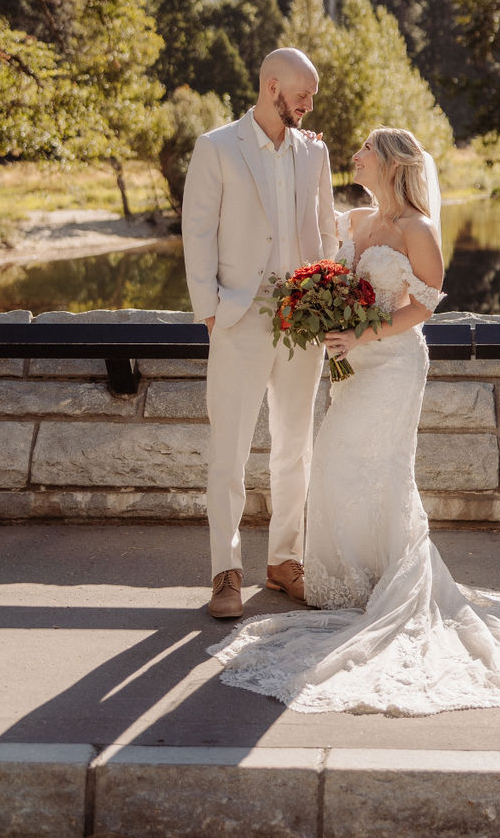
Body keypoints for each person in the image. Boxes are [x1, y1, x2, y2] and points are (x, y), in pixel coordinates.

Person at [208, 127, 500, 713]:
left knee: (374, 467)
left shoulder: (419, 229)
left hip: (392, 365)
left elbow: (425, 304)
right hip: (351, 363)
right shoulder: (355, 223)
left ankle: (380, 577)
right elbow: (310, 229)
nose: (356, 155)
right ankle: (341, 576)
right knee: (337, 464)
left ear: (390, 163)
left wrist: (362, 330)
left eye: (364, 149)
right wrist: (308, 154)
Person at [182, 47, 338, 621]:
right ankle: (225, 572)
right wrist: (212, 312)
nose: (310, 102)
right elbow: (196, 232)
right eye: (303, 93)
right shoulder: (216, 146)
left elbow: (325, 229)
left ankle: (284, 561)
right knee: (230, 451)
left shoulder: (313, 153)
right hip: (239, 320)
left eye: (312, 95)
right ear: (271, 86)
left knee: (296, 446)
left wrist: (331, 298)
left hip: (303, 325)